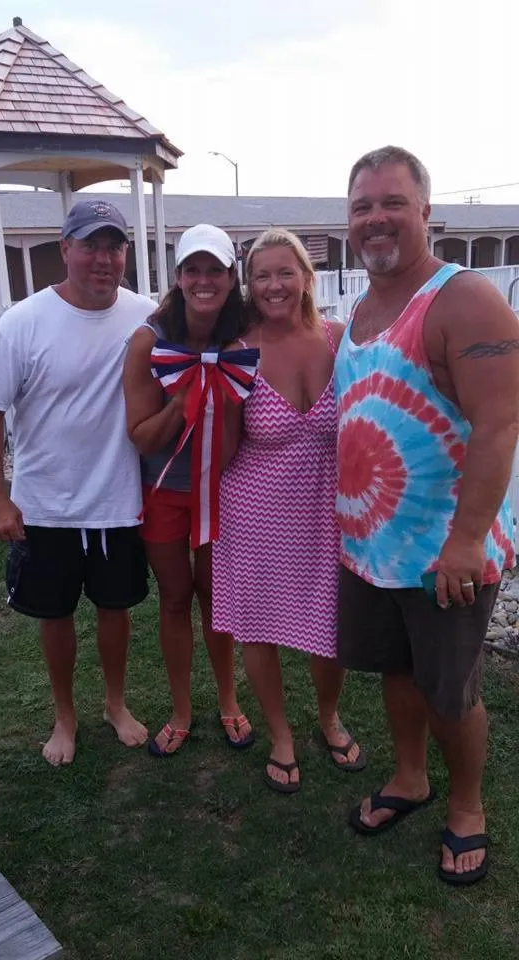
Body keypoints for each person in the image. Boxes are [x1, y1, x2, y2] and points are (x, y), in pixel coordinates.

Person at [335, 145, 519, 884]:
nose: (376, 219)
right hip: (373, 545)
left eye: (393, 203)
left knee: (451, 691)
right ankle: (409, 778)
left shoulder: (463, 299)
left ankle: (467, 807)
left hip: (447, 552)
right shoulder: (360, 308)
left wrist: (467, 540)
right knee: (397, 671)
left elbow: (501, 423)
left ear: (426, 212)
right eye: (362, 206)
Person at [0, 199, 156, 766]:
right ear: (65, 249)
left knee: (116, 609)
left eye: (114, 246)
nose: (103, 259)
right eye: (90, 246)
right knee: (54, 614)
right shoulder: (21, 324)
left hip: (118, 500)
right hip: (45, 506)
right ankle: (65, 715)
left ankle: (115, 704)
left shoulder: (147, 317)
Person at [213, 228, 365, 794]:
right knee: (258, 627)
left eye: (285, 272)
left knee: (332, 626)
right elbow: (224, 449)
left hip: (329, 511)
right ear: (249, 285)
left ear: (306, 277)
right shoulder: (238, 352)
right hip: (255, 510)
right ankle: (281, 735)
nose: (274, 285)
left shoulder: (339, 339)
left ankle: (329, 717)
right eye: (262, 275)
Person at [123, 224, 255, 756]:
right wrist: (182, 402)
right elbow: (140, 437)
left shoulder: (242, 338)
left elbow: (237, 435)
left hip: (222, 490)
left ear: (231, 277)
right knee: (175, 598)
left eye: (215, 270)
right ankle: (181, 710)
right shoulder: (149, 341)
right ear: (178, 277)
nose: (204, 280)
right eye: (193, 270)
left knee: (216, 599)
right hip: (163, 491)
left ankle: (228, 701)